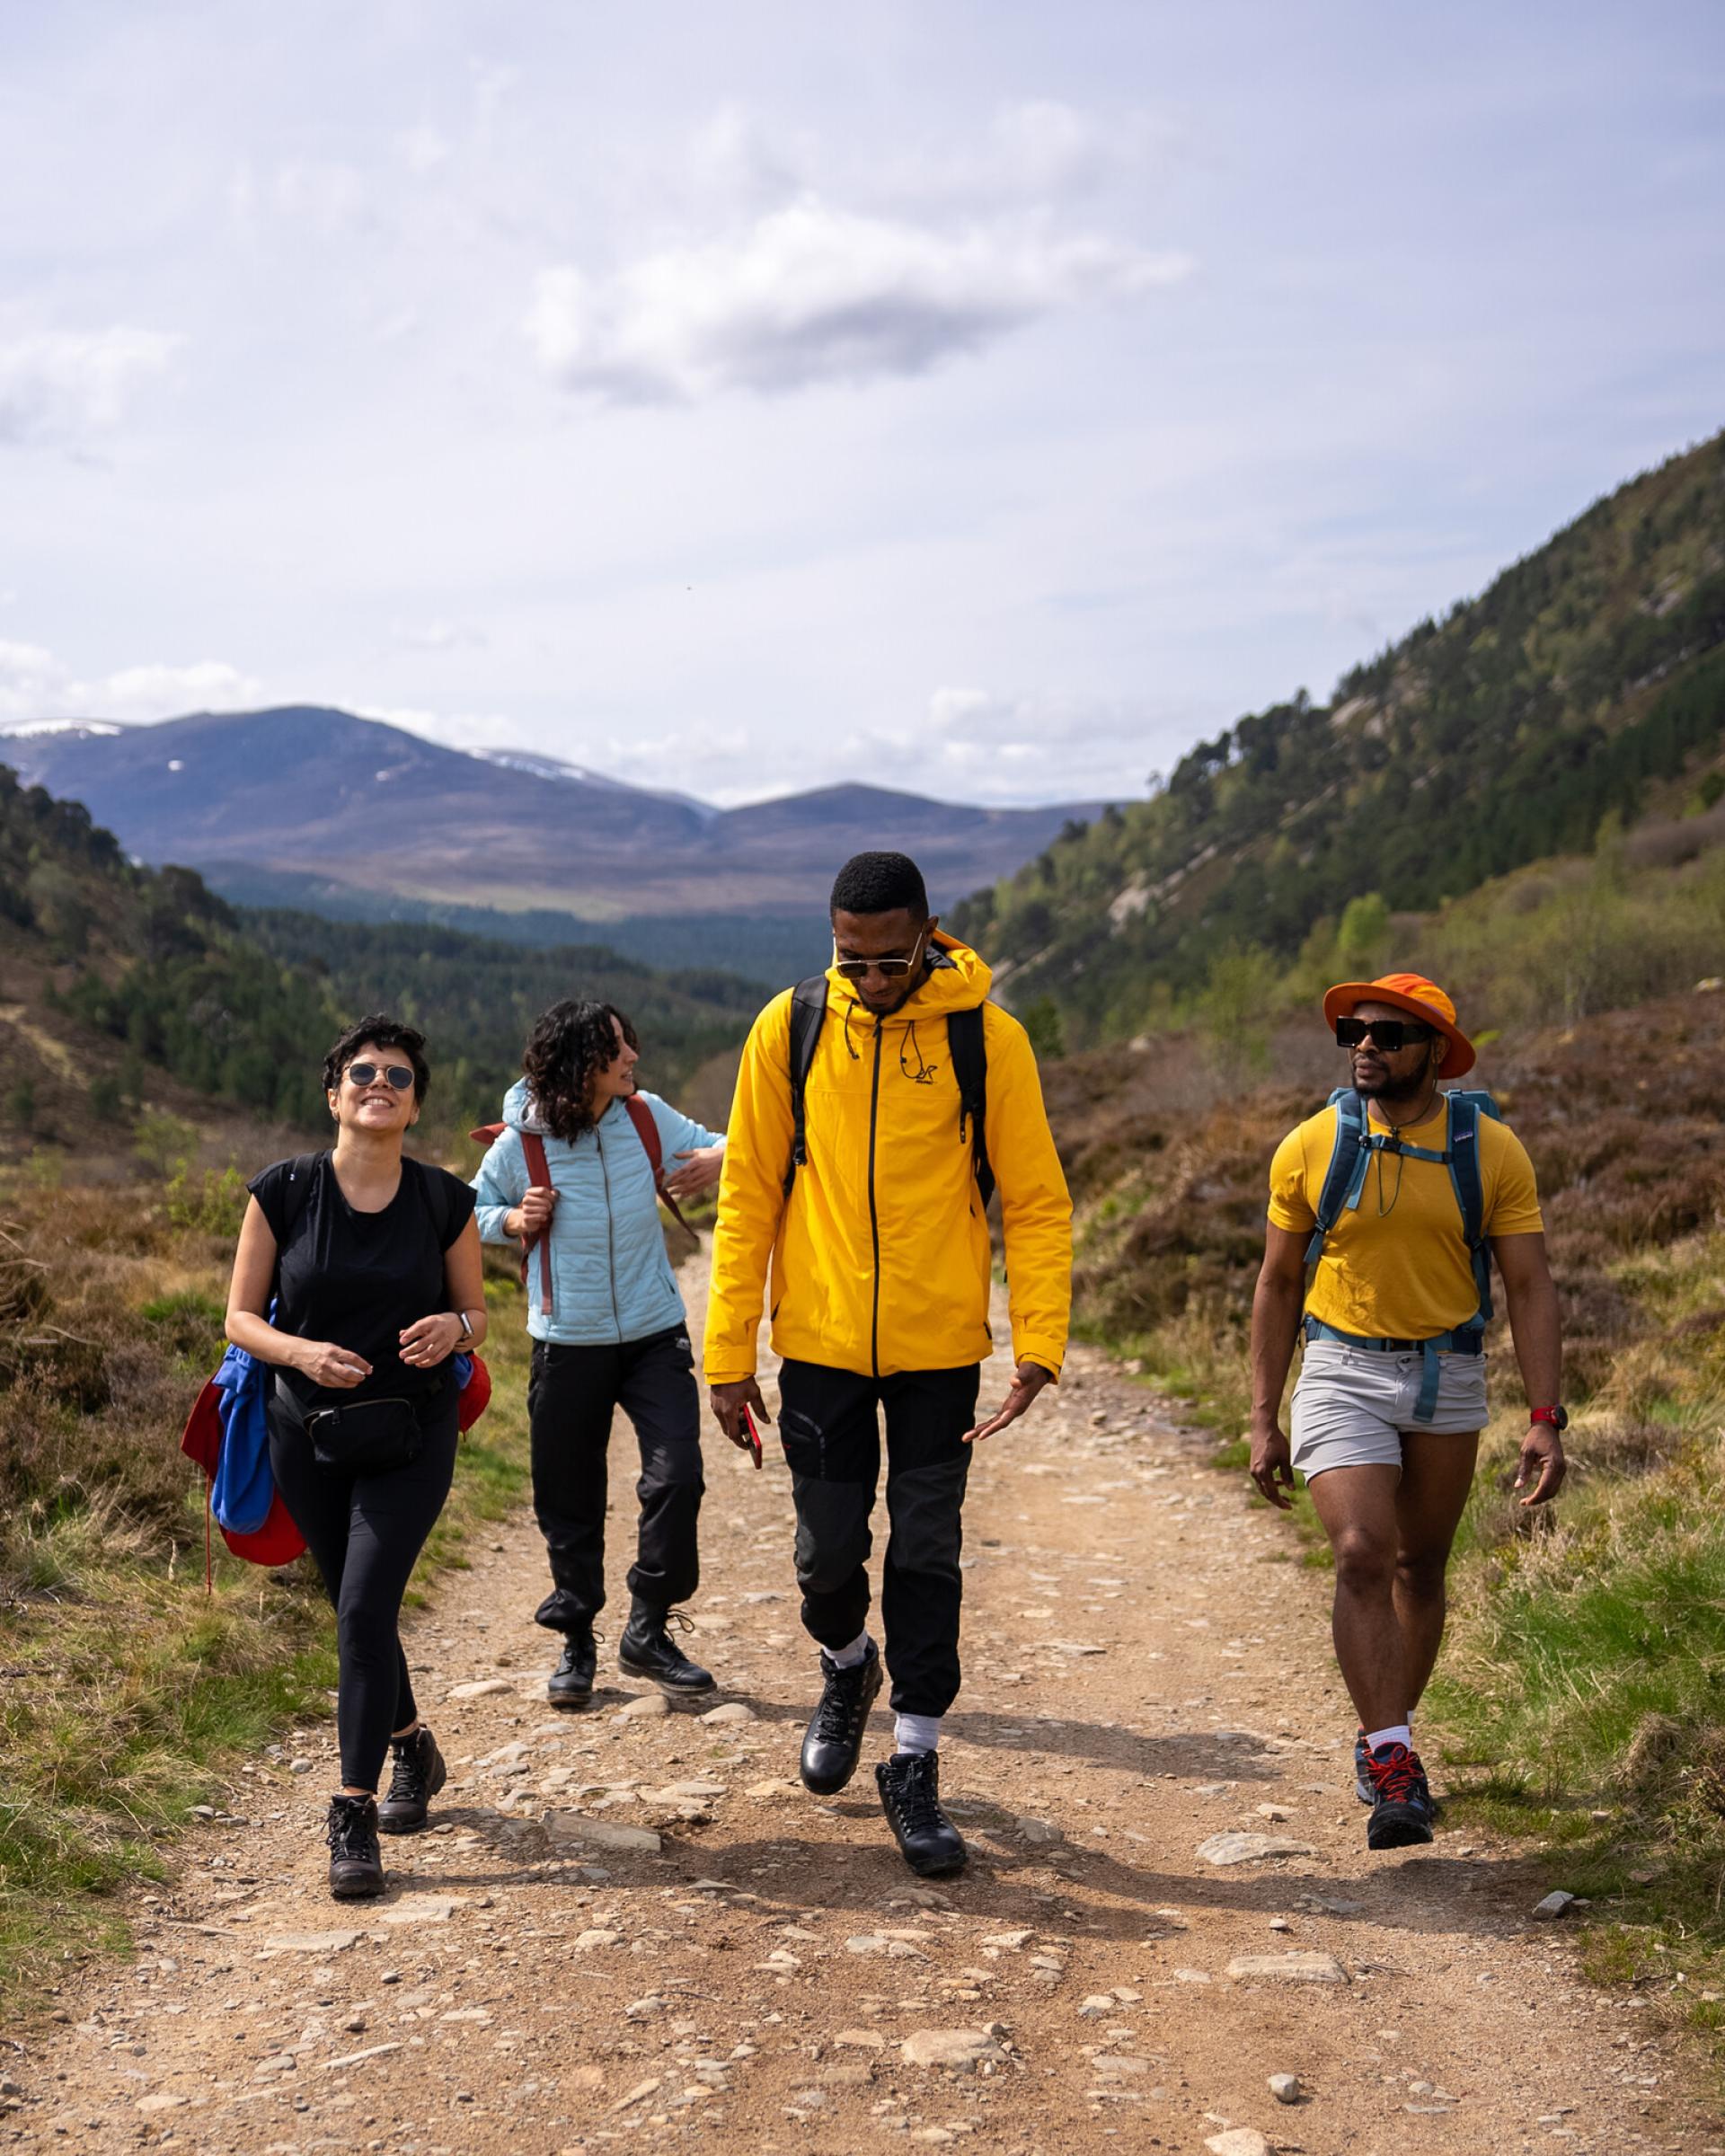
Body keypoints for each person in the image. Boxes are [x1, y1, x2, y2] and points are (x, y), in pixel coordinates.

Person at [704, 851, 1072, 1878]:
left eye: (887, 960)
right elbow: (747, 1201)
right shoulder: (790, 1028)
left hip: (937, 1353)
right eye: (849, 959)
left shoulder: (985, 1038)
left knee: (924, 1551)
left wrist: (1039, 1343)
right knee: (826, 1559)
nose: (869, 979)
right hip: (816, 1345)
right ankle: (845, 1664)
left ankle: (914, 1759)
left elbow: (1035, 1202)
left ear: (929, 933)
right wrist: (727, 1357)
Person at [1247, 972, 1565, 1850]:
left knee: (1421, 1570)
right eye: (1355, 1031)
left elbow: (1531, 1284)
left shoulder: (1490, 1149)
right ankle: (1395, 1765)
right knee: (1360, 1553)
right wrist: (1263, 1414)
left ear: (1435, 1052)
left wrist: (1546, 1415)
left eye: (1388, 1036)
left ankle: (1383, 1728)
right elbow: (1276, 1283)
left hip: (1449, 1377)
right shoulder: (1314, 1144)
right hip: (1342, 1369)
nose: (1366, 1047)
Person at [225, 1015, 487, 1899]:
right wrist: (300, 1353)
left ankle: (352, 1817)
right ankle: (413, 1745)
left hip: (412, 1432)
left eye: (400, 1076)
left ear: (414, 1103)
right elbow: (241, 1318)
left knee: (366, 1603)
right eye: (364, 1072)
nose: (381, 1084)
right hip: (306, 1432)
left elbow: (476, 1315)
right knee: (354, 1610)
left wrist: (457, 1326)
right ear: (334, 1094)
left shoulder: (445, 1200)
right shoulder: (283, 1192)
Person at [471, 999, 726, 1707]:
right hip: (565, 1341)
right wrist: (513, 1218)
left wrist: (717, 1157)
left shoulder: (645, 1116)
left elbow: (730, 1143)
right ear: (583, 1061)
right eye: (619, 1049)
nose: (633, 1059)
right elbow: (466, 1207)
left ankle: (647, 1626)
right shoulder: (521, 1142)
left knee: (679, 1479)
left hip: (652, 1333)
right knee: (569, 1499)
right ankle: (577, 1639)